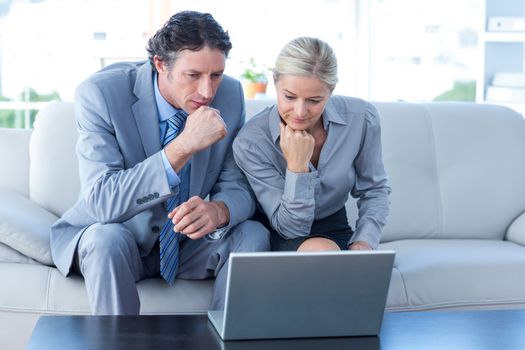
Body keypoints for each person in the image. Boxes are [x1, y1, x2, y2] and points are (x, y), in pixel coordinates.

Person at [50, 10, 270, 315]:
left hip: (184, 243)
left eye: (216, 75)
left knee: (252, 234)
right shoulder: (100, 94)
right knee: (106, 239)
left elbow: (237, 185)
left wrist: (218, 210)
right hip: (118, 238)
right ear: (160, 65)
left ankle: (225, 341)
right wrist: (182, 146)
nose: (207, 92)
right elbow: (101, 201)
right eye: (193, 75)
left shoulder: (231, 95)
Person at [233, 37, 390, 252]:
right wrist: (297, 167)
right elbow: (290, 228)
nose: (299, 112)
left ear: (331, 90)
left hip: (334, 227)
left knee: (349, 265)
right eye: (289, 97)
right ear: (275, 82)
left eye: (314, 100)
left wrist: (364, 242)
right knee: (322, 253)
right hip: (279, 229)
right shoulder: (251, 142)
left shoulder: (361, 118)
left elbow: (374, 189)